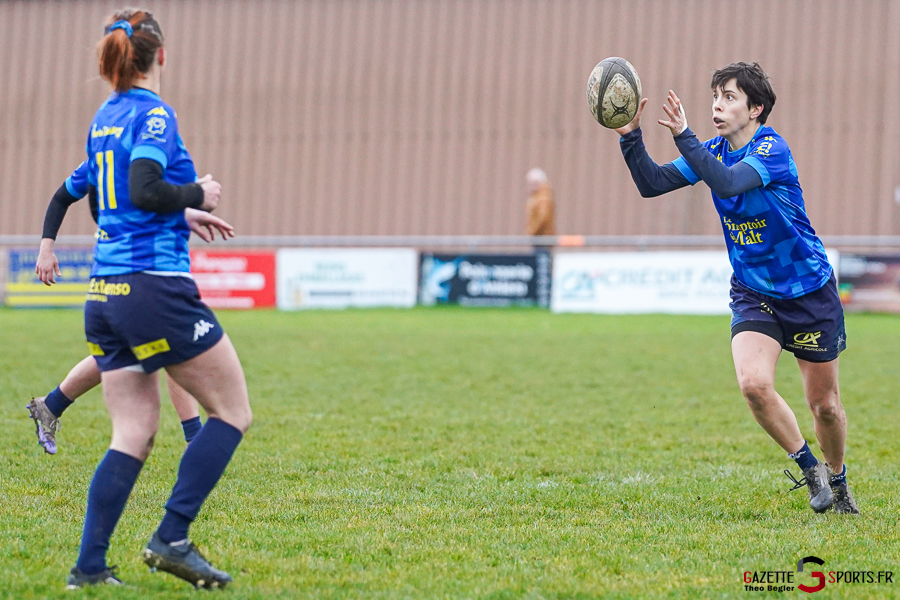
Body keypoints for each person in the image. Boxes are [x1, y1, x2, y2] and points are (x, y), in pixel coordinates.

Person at [604, 62, 857, 515]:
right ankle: (808, 466)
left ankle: (838, 481)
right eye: (715, 96)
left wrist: (685, 135)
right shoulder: (713, 149)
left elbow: (727, 181)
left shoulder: (771, 149)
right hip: (754, 291)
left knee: (826, 407)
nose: (718, 104)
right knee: (754, 385)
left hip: (809, 291)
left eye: (730, 97)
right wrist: (630, 137)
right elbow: (652, 183)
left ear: (756, 108)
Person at [63, 9, 252, 589]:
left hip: (106, 288)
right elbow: (146, 187)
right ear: (160, 57)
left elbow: (116, 200)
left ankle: (89, 568)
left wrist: (181, 212)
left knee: (134, 433)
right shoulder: (153, 114)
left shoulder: (104, 117)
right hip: (154, 287)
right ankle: (171, 537)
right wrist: (201, 192)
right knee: (233, 413)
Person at [26, 161, 232, 454]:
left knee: (124, 351)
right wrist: (197, 195)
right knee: (175, 345)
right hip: (143, 274)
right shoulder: (109, 157)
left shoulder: (150, 156)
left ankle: (50, 405)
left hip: (140, 275)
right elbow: (65, 197)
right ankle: (195, 439)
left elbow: (156, 205)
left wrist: (189, 208)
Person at [525, 167, 556, 238]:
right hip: (541, 236)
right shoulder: (539, 196)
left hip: (542, 236)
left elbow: (543, 217)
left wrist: (533, 230)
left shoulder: (543, 197)